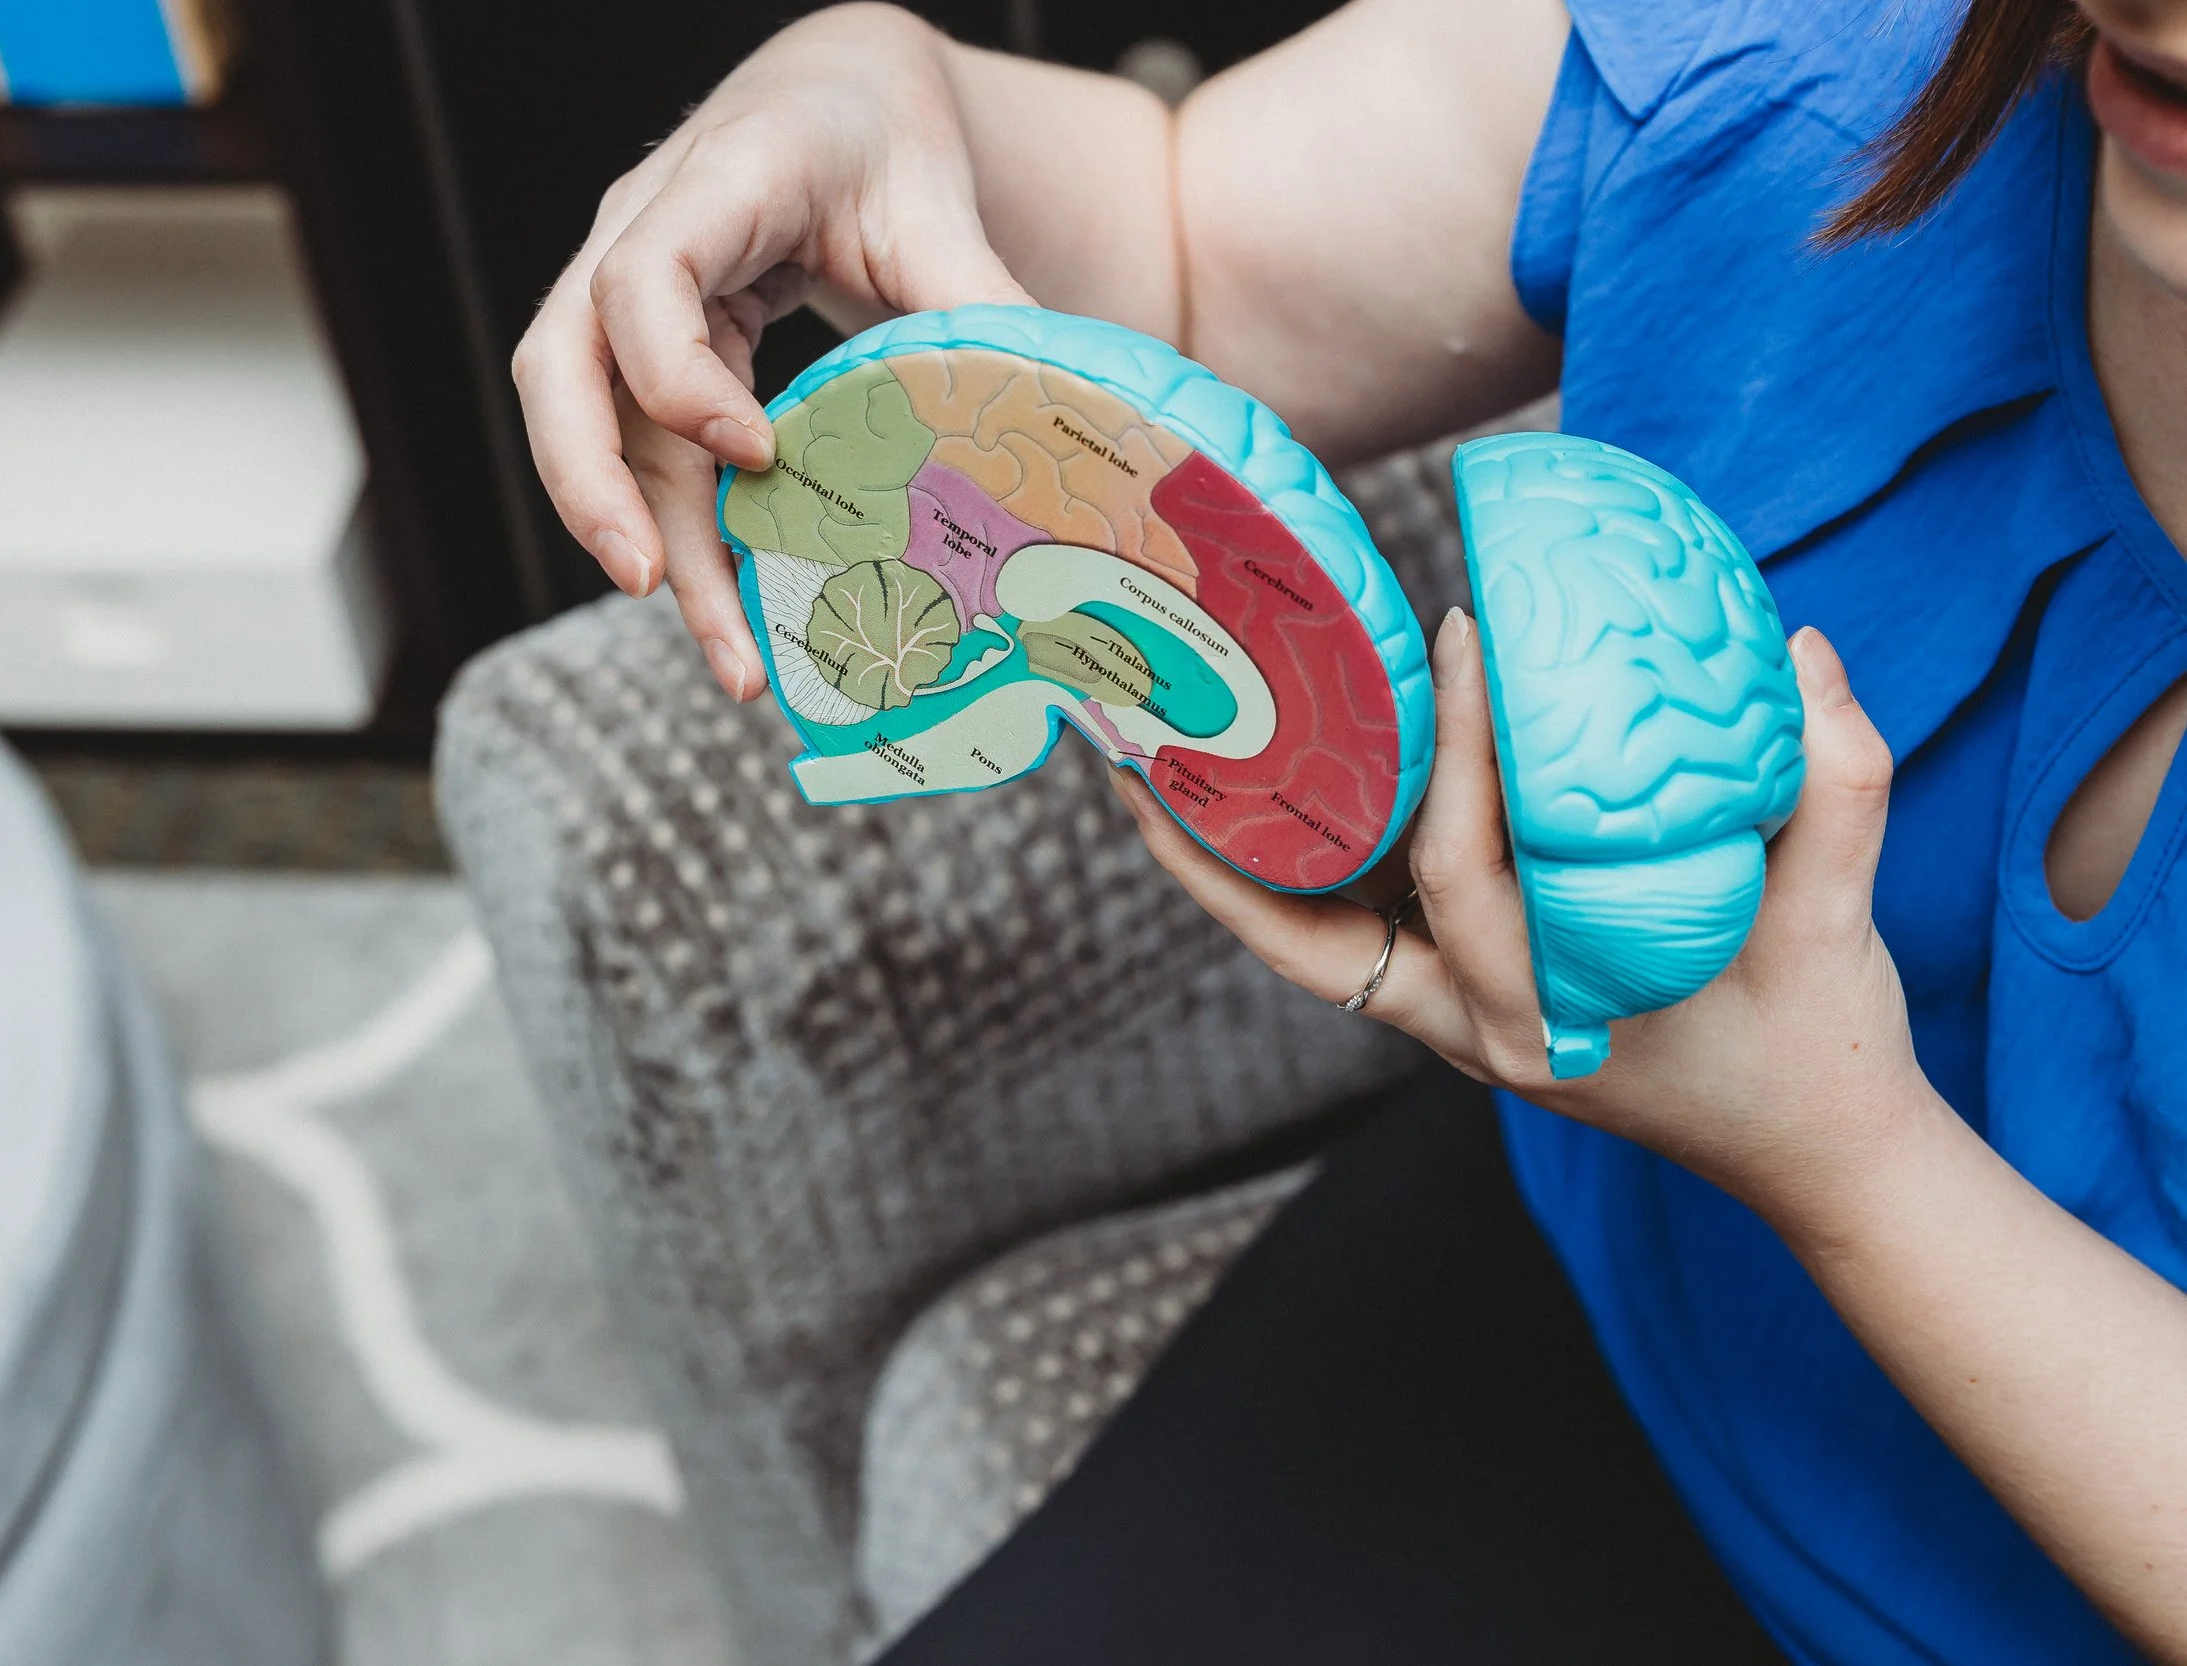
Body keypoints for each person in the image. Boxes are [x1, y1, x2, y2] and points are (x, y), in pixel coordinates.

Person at [511, 0, 2187, 1658]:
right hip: (1615, 1240)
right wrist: (867, 90)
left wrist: (1844, 1156)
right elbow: (1180, 237)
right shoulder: (1807, 48)